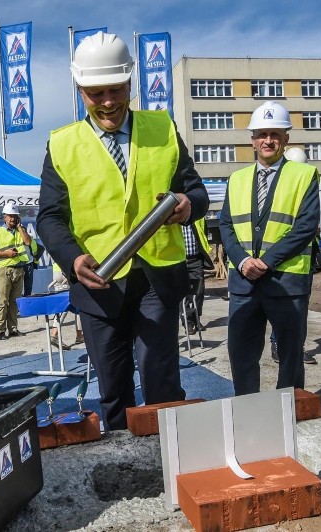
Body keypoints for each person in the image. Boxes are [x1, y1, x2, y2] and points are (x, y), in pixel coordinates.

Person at [37, 32, 208, 430]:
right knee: (113, 385)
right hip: (100, 280)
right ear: (80, 90)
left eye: (116, 90)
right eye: (97, 93)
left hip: (157, 276)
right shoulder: (62, 145)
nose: (109, 102)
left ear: (131, 83)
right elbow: (49, 216)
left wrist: (187, 207)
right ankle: (121, 458)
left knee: (161, 379)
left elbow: (195, 190)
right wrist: (72, 258)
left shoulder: (162, 129)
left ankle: (169, 459)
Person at [218, 101, 320, 396]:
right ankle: (248, 410)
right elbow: (226, 225)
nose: (268, 140)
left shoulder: (304, 175)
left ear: (286, 138)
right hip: (244, 283)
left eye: (275, 134)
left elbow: (305, 226)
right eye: (261, 134)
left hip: (285, 281)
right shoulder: (236, 179)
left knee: (290, 355)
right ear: (252, 139)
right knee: (242, 354)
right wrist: (241, 261)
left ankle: (287, 411)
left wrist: (266, 262)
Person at [268, 146, 318, 366]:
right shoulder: (279, 191)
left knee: (299, 311)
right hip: (279, 260)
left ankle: (295, 347)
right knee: (280, 310)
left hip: (302, 263)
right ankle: (278, 344)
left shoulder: (307, 189)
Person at [0, 203, 37, 339]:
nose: (13, 218)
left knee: (15, 302)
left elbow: (28, 242)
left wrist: (20, 227)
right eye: (10, 216)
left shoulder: (20, 230)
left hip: (19, 270)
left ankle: (13, 329)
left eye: (15, 216)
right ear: (4, 217)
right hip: (4, 270)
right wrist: (6, 254)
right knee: (3, 301)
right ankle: (0, 330)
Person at [181, 218, 213, 334]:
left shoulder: (198, 214)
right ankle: (187, 323)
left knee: (199, 291)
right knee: (183, 294)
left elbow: (203, 231)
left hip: (195, 258)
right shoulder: (173, 213)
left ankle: (196, 318)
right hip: (179, 260)